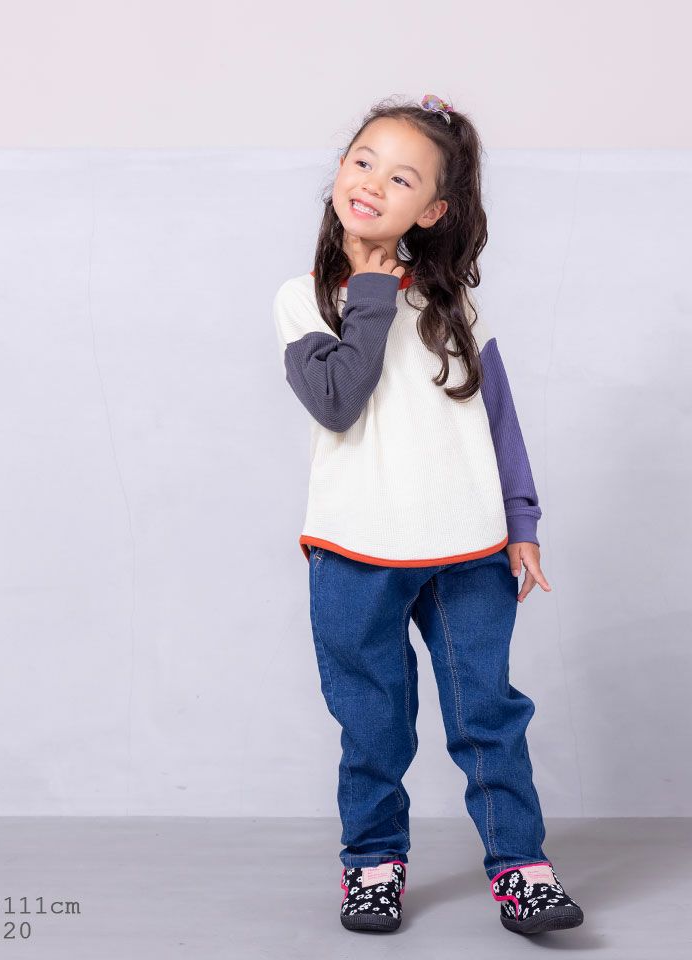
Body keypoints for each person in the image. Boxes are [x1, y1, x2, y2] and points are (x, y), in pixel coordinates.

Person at [272, 93, 585, 937]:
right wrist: (372, 288)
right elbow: (337, 400)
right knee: (373, 725)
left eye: (402, 177)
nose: (373, 182)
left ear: (433, 211)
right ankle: (374, 864)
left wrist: (522, 524)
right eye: (362, 160)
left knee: (488, 717)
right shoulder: (304, 300)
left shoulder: (456, 307)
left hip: (468, 551)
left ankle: (521, 867)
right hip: (354, 553)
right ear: (340, 171)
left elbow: (498, 423)